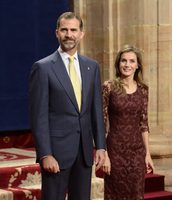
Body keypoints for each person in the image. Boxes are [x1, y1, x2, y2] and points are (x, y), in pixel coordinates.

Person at [29, 12, 106, 200]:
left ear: (81, 34)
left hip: (84, 153)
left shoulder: (92, 67)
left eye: (73, 30)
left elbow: (96, 110)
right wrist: (45, 154)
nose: (69, 34)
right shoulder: (43, 67)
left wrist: (101, 147)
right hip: (56, 153)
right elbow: (38, 116)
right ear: (57, 33)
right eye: (64, 30)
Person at [102, 45, 154, 200]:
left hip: (137, 152)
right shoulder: (109, 87)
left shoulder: (143, 89)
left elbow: (144, 123)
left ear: (137, 65)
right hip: (115, 151)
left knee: (136, 195)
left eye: (132, 61)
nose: (127, 65)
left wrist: (148, 154)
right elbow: (102, 123)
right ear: (118, 64)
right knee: (115, 194)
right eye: (124, 61)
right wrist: (104, 154)